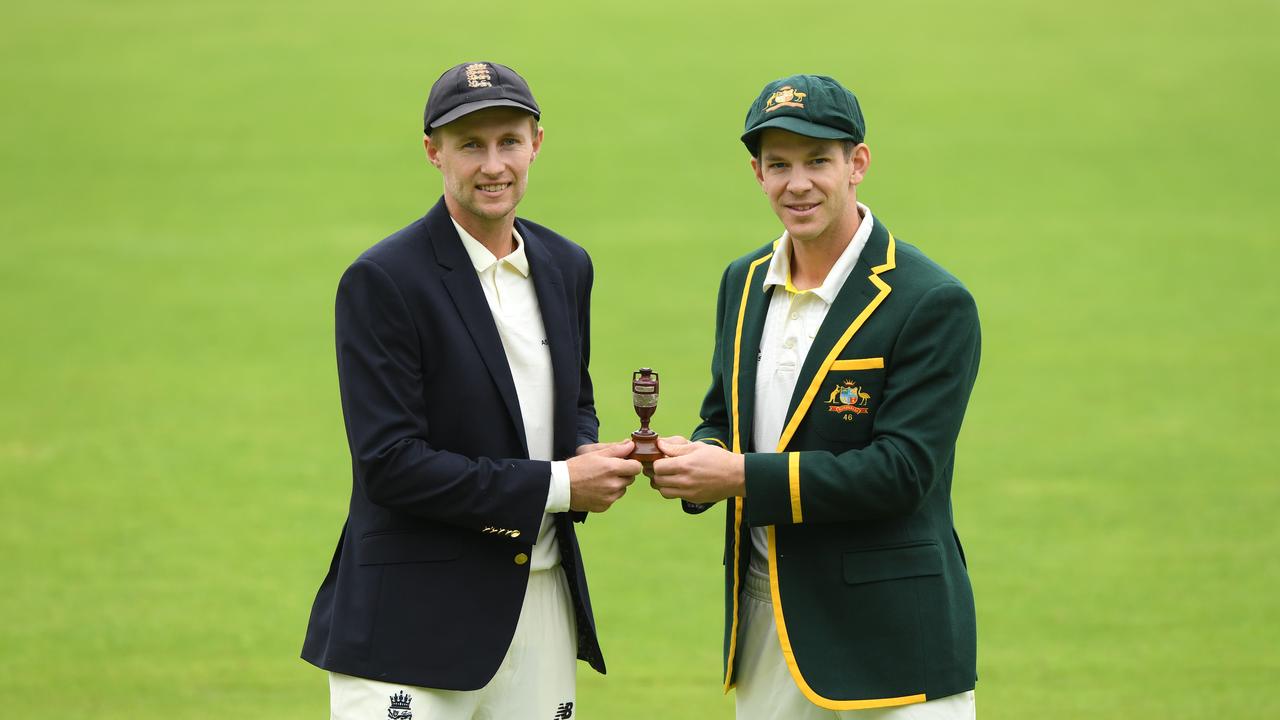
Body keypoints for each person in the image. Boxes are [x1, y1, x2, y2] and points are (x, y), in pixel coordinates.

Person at [301, 61, 642, 720]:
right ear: (434, 152)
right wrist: (564, 484)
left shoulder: (567, 266)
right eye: (470, 145)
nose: (494, 165)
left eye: (509, 141)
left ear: (536, 143)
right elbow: (391, 465)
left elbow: (572, 402)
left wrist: (595, 454)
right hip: (409, 625)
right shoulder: (383, 280)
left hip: (540, 609)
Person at [650, 74, 982, 719]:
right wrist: (696, 460)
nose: (796, 183)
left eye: (816, 161)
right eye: (778, 164)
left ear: (857, 163)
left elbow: (902, 473)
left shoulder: (931, 301)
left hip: (891, 644)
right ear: (757, 173)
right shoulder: (743, 281)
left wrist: (738, 475)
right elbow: (724, 418)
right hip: (765, 627)